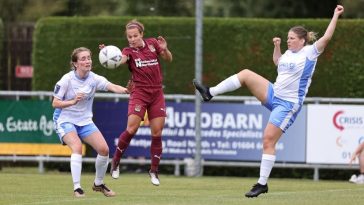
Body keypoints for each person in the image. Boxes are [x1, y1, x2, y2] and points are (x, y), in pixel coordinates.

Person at [193, 5, 344, 197]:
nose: (288, 40)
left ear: (302, 40)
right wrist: (277, 46)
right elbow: (277, 63)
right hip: (273, 93)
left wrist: (335, 15)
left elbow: (327, 37)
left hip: (287, 104)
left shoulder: (310, 53)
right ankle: (210, 92)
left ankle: (262, 184)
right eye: (287, 37)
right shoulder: (288, 53)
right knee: (246, 74)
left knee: (268, 140)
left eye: (291, 38)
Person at [52, 47, 129, 197]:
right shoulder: (66, 79)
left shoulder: (94, 78)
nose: (87, 61)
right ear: (75, 64)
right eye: (83, 59)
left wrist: (127, 91)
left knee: (104, 150)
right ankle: (77, 188)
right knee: (77, 147)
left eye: (89, 58)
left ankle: (98, 184)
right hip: (65, 120)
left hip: (85, 121)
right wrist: (72, 101)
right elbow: (55, 103)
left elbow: (112, 86)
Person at [108, 19, 172, 186]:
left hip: (157, 93)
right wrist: (109, 55)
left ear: (142, 34)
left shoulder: (152, 44)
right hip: (140, 93)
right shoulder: (128, 51)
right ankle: (115, 161)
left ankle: (154, 170)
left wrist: (164, 50)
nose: (132, 39)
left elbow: (168, 59)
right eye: (129, 36)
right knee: (132, 128)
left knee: (157, 132)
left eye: (135, 35)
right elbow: (120, 60)